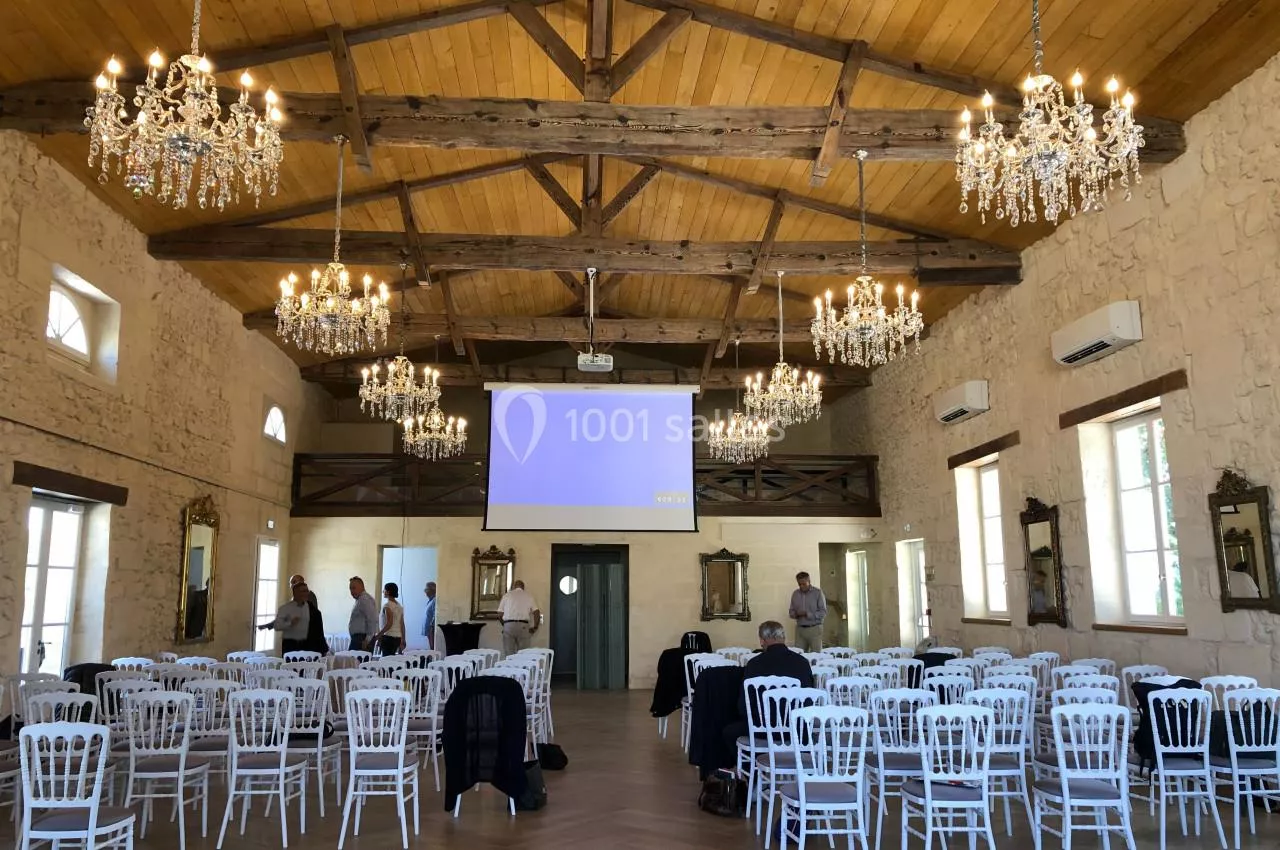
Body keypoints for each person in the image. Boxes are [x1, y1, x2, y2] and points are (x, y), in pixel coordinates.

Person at [722, 621, 814, 757]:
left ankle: (753, 770)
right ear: (783, 637)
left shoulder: (754, 664)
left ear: (762, 641)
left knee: (728, 732)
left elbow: (743, 706)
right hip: (797, 728)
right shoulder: (802, 663)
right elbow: (809, 700)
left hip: (762, 728)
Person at [261, 581, 328, 655]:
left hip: (309, 649)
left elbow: (319, 633)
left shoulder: (314, 610)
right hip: (292, 649)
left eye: (306, 591)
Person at [497, 579, 540, 656]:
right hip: (523, 626)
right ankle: (521, 667)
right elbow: (536, 612)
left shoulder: (507, 595)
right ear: (523, 587)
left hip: (509, 625)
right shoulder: (528, 596)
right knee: (523, 654)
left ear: (514, 587)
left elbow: (500, 613)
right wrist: (535, 627)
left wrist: (504, 625)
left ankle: (510, 667)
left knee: (509, 654)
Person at [788, 571, 827, 652]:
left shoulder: (818, 593)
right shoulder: (795, 594)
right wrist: (796, 614)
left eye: (804, 584)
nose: (801, 586)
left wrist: (808, 614)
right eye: (799, 584)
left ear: (809, 581)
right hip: (800, 630)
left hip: (815, 629)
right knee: (799, 656)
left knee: (816, 656)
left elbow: (823, 612)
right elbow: (791, 612)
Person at [371, 582, 405, 656]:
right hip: (397, 637)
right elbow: (402, 624)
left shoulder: (387, 606)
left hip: (388, 637)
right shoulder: (399, 606)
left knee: (386, 660)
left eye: (384, 590)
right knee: (391, 660)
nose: (383, 591)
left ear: (388, 592)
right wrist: (403, 639)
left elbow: (389, 623)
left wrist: (378, 636)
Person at [348, 576, 379, 652]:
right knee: (352, 662)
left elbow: (372, 620)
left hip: (362, 639)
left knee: (355, 663)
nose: (351, 591)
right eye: (350, 589)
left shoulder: (365, 599)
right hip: (359, 639)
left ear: (361, 587)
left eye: (354, 588)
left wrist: (367, 639)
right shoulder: (360, 599)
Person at [422, 581, 437, 650]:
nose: (424, 591)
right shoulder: (430, 601)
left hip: (431, 630)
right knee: (431, 648)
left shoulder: (435, 600)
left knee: (433, 648)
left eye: (426, 589)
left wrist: (431, 626)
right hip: (429, 630)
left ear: (432, 590)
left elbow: (435, 614)